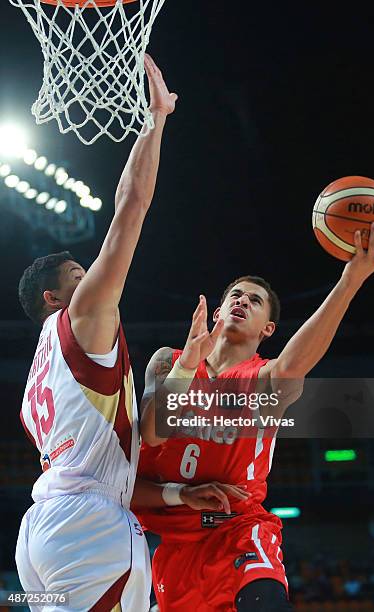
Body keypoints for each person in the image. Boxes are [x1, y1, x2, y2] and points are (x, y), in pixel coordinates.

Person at [15, 55, 248, 612]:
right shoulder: (84, 317)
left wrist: (178, 490)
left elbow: (120, 457)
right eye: (79, 275)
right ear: (54, 298)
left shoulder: (36, 386)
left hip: (46, 530)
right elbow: (130, 207)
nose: (92, 276)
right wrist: (156, 120)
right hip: (87, 524)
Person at [137, 220, 374, 612]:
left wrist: (350, 280)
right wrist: (189, 366)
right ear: (217, 312)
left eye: (254, 301)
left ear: (268, 329)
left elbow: (298, 360)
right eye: (236, 296)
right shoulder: (168, 362)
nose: (242, 301)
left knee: (266, 599)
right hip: (175, 544)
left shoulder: (265, 380)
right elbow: (152, 434)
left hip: (238, 529)